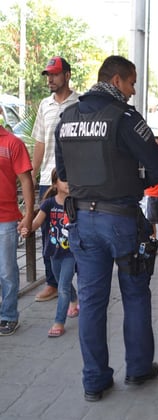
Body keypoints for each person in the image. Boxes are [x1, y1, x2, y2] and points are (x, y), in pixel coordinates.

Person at [55, 55, 158, 402]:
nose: (133, 91)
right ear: (117, 80)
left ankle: (94, 380)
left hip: (82, 223)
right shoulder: (124, 118)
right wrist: (132, 182)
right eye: (132, 83)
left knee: (90, 301)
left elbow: (63, 174)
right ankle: (137, 369)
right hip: (120, 219)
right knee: (134, 294)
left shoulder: (68, 117)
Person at [32, 56, 78, 302]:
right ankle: (52, 282)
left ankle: (76, 279)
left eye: (55, 74)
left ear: (67, 75)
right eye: (48, 75)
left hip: (73, 180)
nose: (50, 79)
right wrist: (33, 172)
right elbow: (40, 141)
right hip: (47, 181)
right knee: (48, 232)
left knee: (76, 228)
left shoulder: (80, 103)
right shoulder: (44, 105)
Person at [22, 169, 77, 338]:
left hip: (71, 252)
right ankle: (75, 302)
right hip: (53, 251)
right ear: (54, 184)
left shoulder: (76, 204)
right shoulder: (49, 204)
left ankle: (59, 322)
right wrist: (27, 228)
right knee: (62, 282)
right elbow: (37, 222)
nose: (67, 183)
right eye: (63, 179)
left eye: (70, 179)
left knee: (62, 287)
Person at [0, 124, 34, 336]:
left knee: (7, 270)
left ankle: (9, 316)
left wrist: (29, 214)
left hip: (6, 218)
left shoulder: (12, 142)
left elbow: (26, 180)